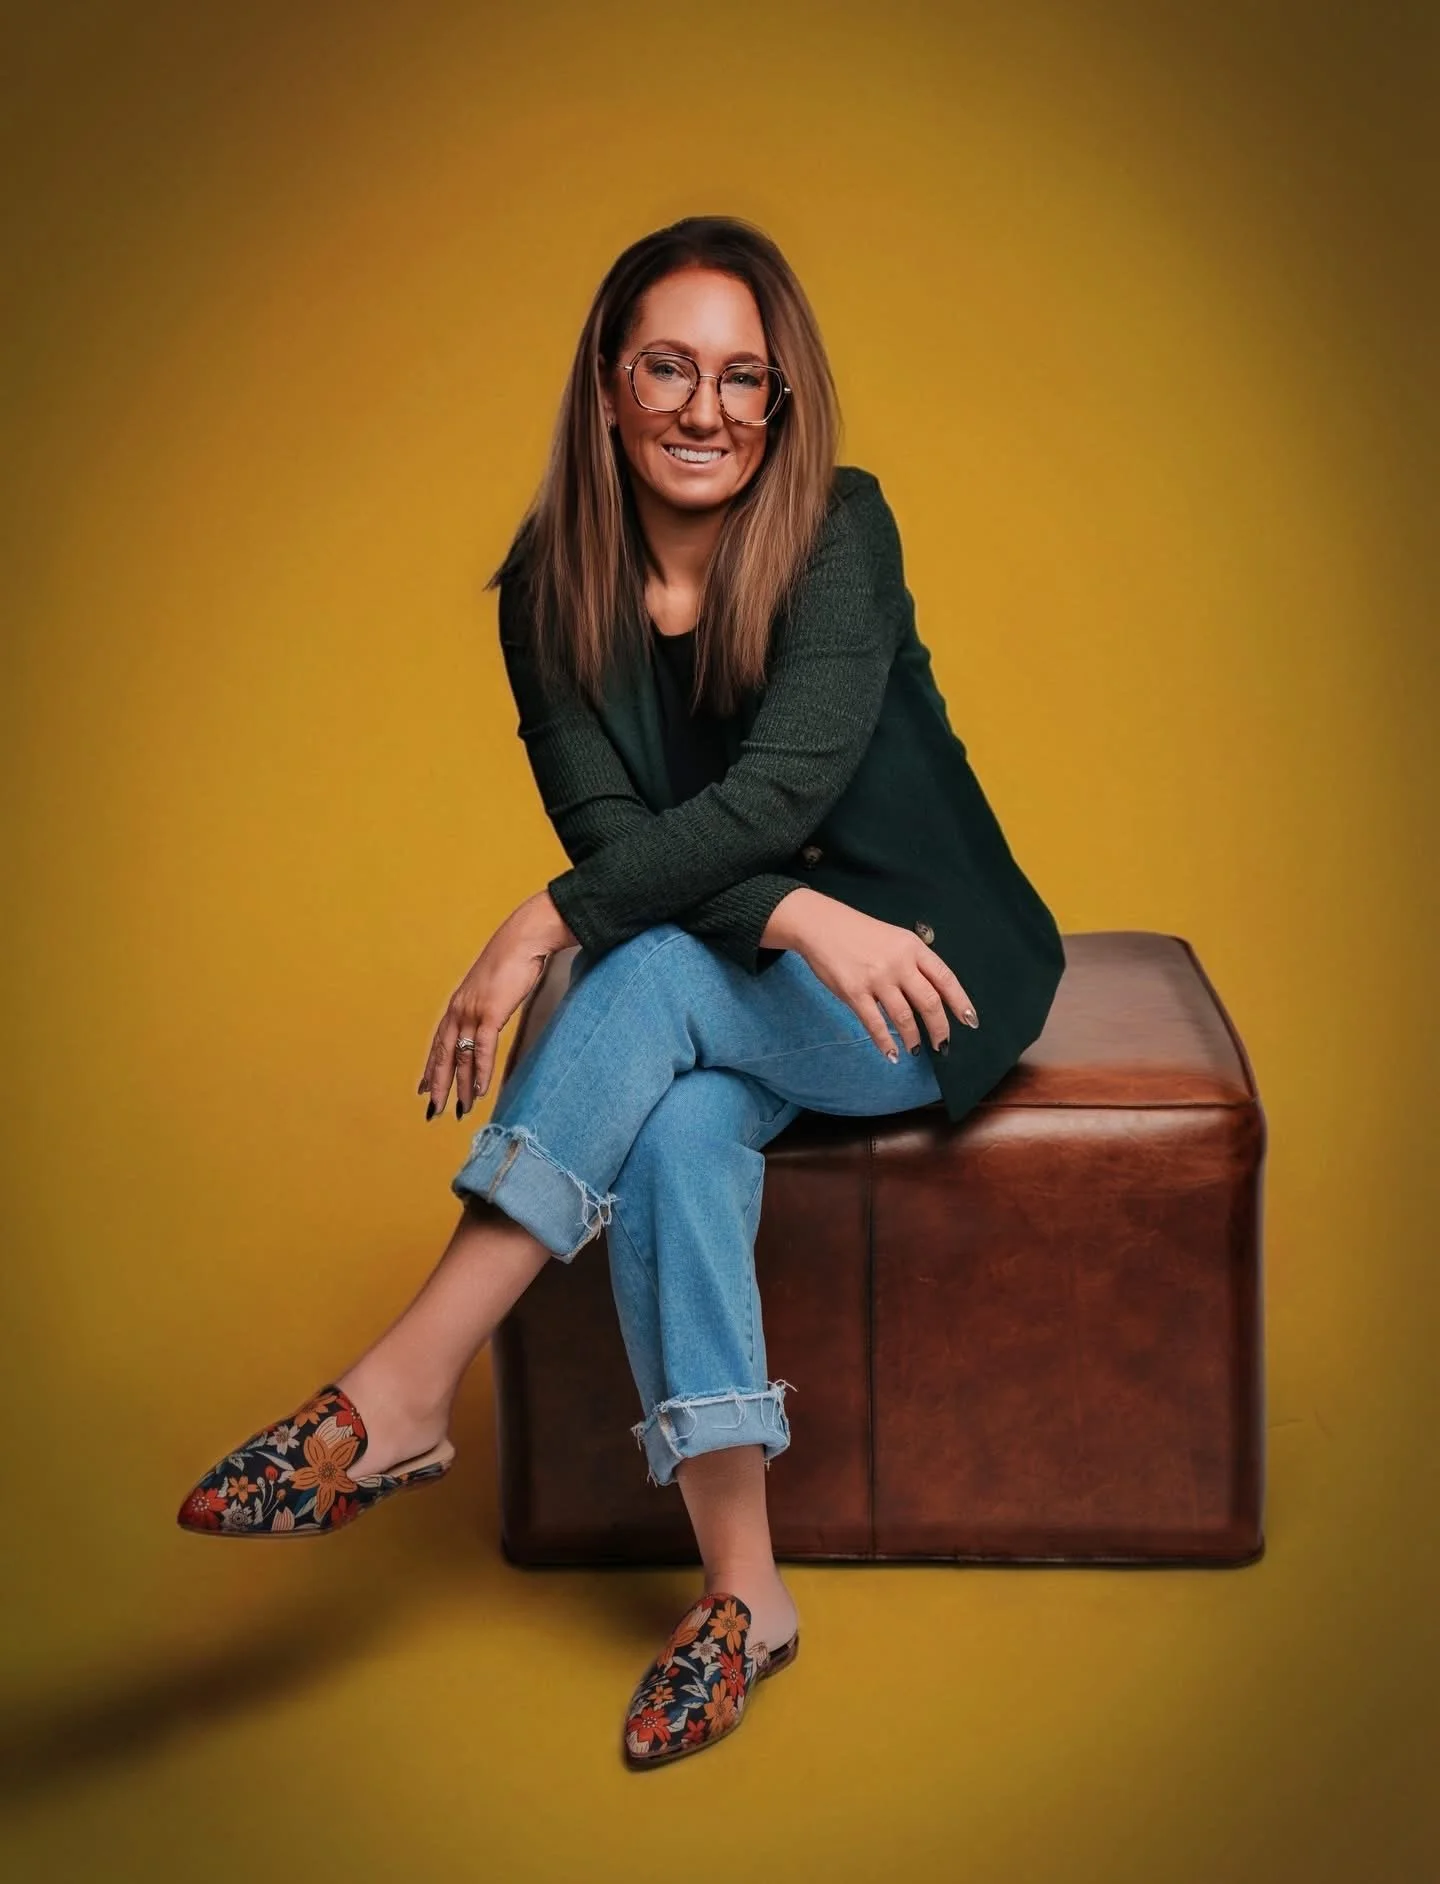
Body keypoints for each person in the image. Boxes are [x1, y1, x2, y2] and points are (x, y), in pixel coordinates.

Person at [175, 214, 1066, 1769]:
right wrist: (781, 910)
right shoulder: (549, 592)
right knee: (673, 1129)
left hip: (922, 976)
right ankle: (747, 1595)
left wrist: (544, 923)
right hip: (746, 967)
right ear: (607, 385)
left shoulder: (840, 529)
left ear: (780, 401)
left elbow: (774, 793)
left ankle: (403, 1388)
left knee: (632, 964)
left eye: (743, 377)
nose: (707, 409)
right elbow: (619, 840)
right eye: (669, 367)